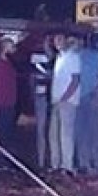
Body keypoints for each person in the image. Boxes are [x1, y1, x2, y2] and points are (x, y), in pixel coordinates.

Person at [49, 33, 83, 175]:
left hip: (67, 101)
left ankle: (67, 166)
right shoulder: (59, 58)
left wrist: (65, 97)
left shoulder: (73, 57)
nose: (57, 43)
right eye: (55, 40)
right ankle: (55, 164)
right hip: (57, 100)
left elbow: (75, 80)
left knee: (66, 134)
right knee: (54, 134)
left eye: (60, 40)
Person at [76, 40, 98, 174]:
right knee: (82, 131)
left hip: (91, 96)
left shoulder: (94, 56)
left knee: (94, 130)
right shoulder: (72, 57)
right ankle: (85, 162)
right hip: (79, 98)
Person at [0, 37, 19, 169]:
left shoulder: (9, 64)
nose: (14, 50)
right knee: (1, 133)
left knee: (6, 133)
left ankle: (3, 161)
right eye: (11, 46)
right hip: (0, 104)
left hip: (9, 103)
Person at [29, 34, 57, 168]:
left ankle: (52, 160)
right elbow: (33, 77)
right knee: (41, 130)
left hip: (54, 97)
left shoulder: (57, 59)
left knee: (52, 131)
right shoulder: (37, 57)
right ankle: (41, 160)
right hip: (41, 97)